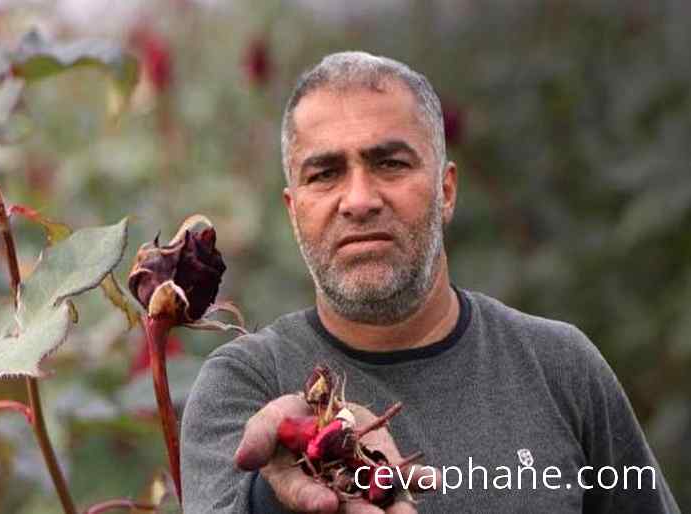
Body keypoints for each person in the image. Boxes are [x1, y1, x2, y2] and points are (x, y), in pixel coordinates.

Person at [179, 51, 680, 513]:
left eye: (390, 164)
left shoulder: (562, 369)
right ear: (294, 212)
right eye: (325, 174)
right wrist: (288, 479)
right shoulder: (243, 386)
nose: (358, 199)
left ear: (446, 190)